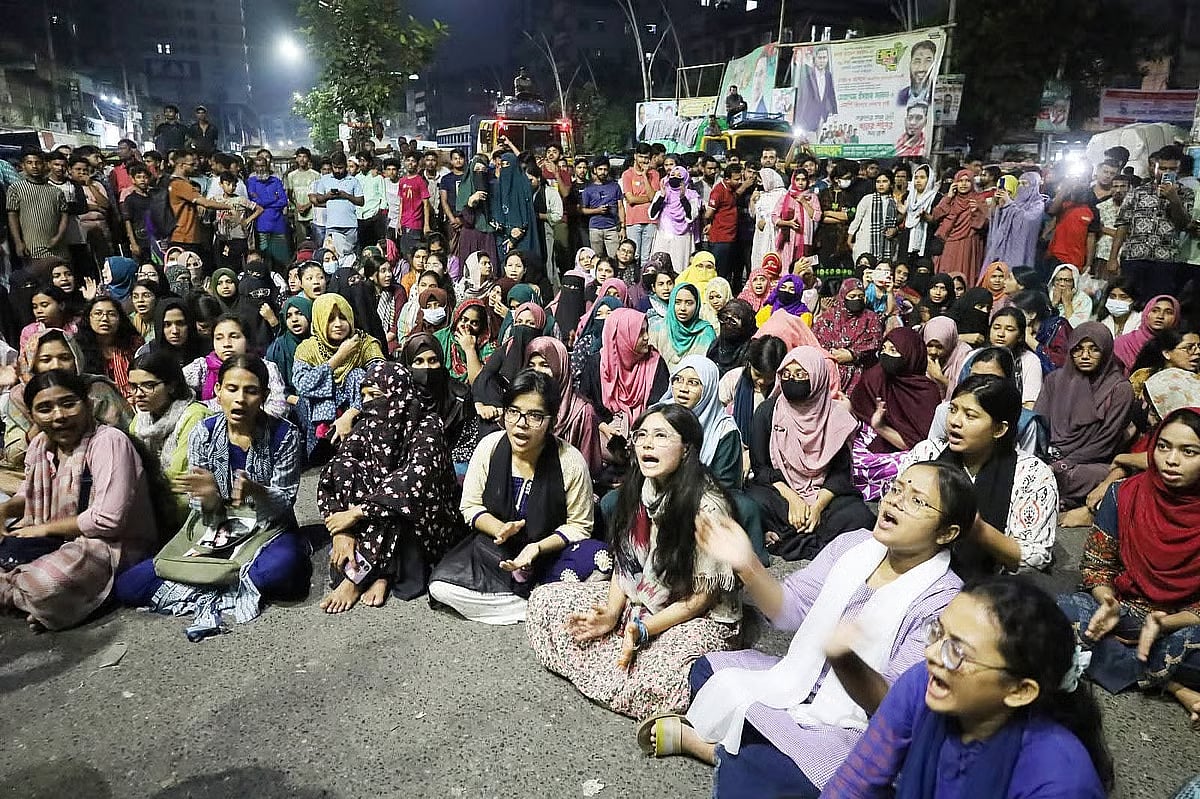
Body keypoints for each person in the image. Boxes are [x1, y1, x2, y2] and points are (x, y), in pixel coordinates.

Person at [660, 461, 970, 797]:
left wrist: (845, 661)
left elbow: (895, 705)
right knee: (705, 671)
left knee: (801, 773)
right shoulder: (854, 545)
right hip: (798, 680)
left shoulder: (943, 599)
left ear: (946, 533)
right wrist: (746, 563)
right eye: (897, 488)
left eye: (916, 500)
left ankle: (717, 750)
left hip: (853, 723)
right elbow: (789, 609)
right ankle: (744, 755)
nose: (895, 500)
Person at [526, 404, 740, 718]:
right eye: (641, 436)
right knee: (545, 600)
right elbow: (625, 562)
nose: (647, 444)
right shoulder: (641, 486)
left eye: (661, 436)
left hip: (693, 615)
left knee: (664, 681)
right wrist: (612, 614)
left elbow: (699, 600)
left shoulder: (708, 507)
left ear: (686, 450)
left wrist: (643, 628)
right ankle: (614, 657)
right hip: (643, 596)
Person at [825, 577, 1112, 798]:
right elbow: (854, 782)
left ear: (1019, 691)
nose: (932, 654)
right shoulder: (922, 685)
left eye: (958, 652)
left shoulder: (1060, 781)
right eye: (937, 633)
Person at [114, 355, 312, 631]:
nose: (240, 399)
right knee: (129, 585)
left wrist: (257, 491)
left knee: (281, 572)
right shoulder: (203, 433)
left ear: (265, 395)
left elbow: (286, 498)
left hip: (267, 528)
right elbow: (200, 508)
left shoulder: (285, 434)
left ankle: (210, 578)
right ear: (218, 391)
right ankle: (224, 582)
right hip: (215, 528)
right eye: (232, 389)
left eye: (251, 391)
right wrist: (209, 499)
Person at [1057, 407, 1200, 726]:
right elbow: (1097, 566)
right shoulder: (1125, 494)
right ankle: (1175, 685)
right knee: (1056, 613)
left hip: (1184, 622)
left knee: (1067, 641)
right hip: (1125, 611)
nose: (1171, 460)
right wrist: (1106, 601)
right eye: (1163, 446)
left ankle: (1121, 661)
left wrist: (1166, 624)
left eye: (1188, 451)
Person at [428, 370, 604, 625]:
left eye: (535, 416)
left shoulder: (571, 461)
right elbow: (470, 506)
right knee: (441, 587)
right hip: (496, 551)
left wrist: (537, 547)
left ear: (551, 421)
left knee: (599, 558)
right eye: (513, 412)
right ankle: (536, 607)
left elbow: (580, 526)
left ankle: (534, 601)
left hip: (547, 555)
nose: (521, 423)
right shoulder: (489, 446)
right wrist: (499, 528)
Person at [0, 370, 157, 631]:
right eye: (45, 408)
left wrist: (43, 529)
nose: (59, 416)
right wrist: (4, 510)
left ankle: (36, 598)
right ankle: (39, 601)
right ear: (33, 416)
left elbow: (108, 520)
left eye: (68, 403)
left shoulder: (109, 442)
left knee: (46, 586)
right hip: (60, 542)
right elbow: (27, 495)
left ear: (87, 403)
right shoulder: (41, 446)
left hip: (111, 546)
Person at [317, 362, 468, 611]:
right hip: (378, 513)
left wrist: (356, 513)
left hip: (425, 521)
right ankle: (378, 570)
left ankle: (363, 575)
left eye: (376, 396)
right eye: (364, 396)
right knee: (346, 469)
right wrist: (340, 530)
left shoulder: (429, 425)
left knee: (397, 499)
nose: (368, 404)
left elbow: (414, 481)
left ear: (399, 394)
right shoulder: (366, 425)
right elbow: (331, 475)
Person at [902, 375, 1057, 576]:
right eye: (953, 409)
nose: (955, 422)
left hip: (989, 589)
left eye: (970, 415)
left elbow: (1036, 558)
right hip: (915, 571)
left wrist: (978, 530)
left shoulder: (1032, 474)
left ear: (999, 429)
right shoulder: (926, 453)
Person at [743, 345, 875, 561]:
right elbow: (761, 468)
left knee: (858, 516)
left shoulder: (836, 417)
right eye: (786, 374)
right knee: (752, 499)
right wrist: (794, 500)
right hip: (782, 492)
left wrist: (816, 507)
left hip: (822, 493)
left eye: (800, 374)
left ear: (817, 378)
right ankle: (820, 539)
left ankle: (789, 536)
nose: (792, 380)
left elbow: (840, 474)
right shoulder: (768, 412)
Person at [2, 330, 133, 483]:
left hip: (95, 470)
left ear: (76, 360)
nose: (56, 366)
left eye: (64, 358)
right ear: (33, 364)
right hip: (33, 474)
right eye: (46, 360)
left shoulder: (96, 390)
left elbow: (123, 440)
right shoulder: (20, 397)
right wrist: (41, 420)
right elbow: (13, 455)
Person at [1036, 322, 1135, 508]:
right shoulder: (1055, 380)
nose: (1085, 356)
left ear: (1105, 351)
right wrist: (1042, 459)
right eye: (1078, 349)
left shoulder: (1120, 389)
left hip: (1088, 463)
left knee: (1101, 475)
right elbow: (1040, 424)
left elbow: (1105, 443)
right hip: (1047, 456)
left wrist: (1061, 465)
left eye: (1094, 349)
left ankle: (1053, 494)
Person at [292, 294, 386, 458]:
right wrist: (337, 359)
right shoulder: (307, 348)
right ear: (320, 321)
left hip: (357, 415)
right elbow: (302, 385)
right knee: (312, 393)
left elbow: (381, 378)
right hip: (318, 420)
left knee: (358, 375)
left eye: (342, 317)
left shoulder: (364, 342)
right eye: (330, 319)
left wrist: (350, 414)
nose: (338, 324)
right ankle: (323, 442)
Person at [126, 351, 212, 524]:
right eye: (134, 386)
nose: (138, 394)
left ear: (171, 386)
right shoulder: (140, 419)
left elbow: (180, 478)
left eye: (148, 385)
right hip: (150, 497)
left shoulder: (195, 415)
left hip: (187, 503)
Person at [580, 308, 669, 444]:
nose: (647, 337)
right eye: (640, 332)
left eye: (646, 330)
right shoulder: (596, 364)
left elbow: (660, 406)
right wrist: (603, 426)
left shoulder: (656, 363)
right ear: (621, 337)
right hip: (603, 436)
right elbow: (585, 403)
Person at [850, 327, 942, 453]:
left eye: (893, 350)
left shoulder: (926, 392)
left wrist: (881, 427)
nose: (886, 354)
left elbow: (918, 445)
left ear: (910, 355)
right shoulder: (874, 378)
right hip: (866, 445)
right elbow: (857, 411)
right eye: (883, 349)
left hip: (908, 456)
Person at [658, 355, 743, 490]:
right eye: (678, 380)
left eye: (693, 383)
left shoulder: (724, 431)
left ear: (709, 388)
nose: (683, 388)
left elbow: (726, 486)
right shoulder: (658, 415)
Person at [182, 315, 289, 419]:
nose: (226, 344)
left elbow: (278, 409)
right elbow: (173, 385)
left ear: (247, 340)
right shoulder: (204, 366)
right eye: (219, 338)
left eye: (234, 336)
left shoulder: (266, 368)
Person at [525, 336, 602, 474]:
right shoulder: (523, 405)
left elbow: (587, 467)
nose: (537, 372)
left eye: (545, 365)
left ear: (560, 366)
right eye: (531, 365)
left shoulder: (583, 412)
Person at [811, 278, 883, 396]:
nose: (857, 300)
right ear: (843, 296)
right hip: (830, 372)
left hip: (862, 373)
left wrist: (852, 355)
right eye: (852, 296)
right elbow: (816, 340)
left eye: (860, 296)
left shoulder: (871, 318)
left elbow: (875, 342)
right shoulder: (827, 318)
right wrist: (832, 355)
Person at [75, 296, 143, 401]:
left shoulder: (134, 345)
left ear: (120, 318)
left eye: (111, 314)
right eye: (98, 313)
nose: (104, 319)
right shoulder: (78, 348)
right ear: (89, 318)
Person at [931, 170, 988, 284]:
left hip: (969, 243)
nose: (963, 184)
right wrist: (949, 196)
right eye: (960, 181)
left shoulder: (978, 200)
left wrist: (976, 211)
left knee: (965, 275)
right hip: (950, 243)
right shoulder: (950, 199)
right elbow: (936, 215)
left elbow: (985, 224)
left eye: (967, 181)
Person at [982, 171, 1046, 270]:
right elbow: (1000, 221)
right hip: (1005, 246)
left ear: (1034, 186)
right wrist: (998, 204)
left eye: (1025, 183)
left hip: (1022, 247)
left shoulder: (1038, 204)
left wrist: (1009, 204)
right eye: (1020, 183)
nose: (1022, 186)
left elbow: (1028, 220)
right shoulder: (1015, 200)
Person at [650, 283, 717, 369]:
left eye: (689, 303)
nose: (682, 308)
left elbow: (708, 367)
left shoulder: (706, 332)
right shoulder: (657, 329)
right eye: (677, 302)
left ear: (697, 305)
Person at [987, 308, 1044, 408]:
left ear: (1021, 336)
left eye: (1009, 330)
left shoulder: (1030, 360)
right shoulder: (974, 355)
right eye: (996, 328)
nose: (1001, 334)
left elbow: (1030, 404)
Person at [433, 299, 494, 385]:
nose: (467, 326)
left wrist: (470, 349)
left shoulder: (488, 347)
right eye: (464, 320)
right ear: (456, 319)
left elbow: (480, 384)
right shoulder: (439, 338)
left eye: (474, 323)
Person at [1114, 294, 1180, 373]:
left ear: (1176, 317)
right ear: (1146, 313)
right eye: (1155, 311)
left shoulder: (1179, 346)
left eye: (1168, 312)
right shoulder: (1123, 343)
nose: (1160, 316)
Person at [649, 166, 699, 270]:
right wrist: (662, 196)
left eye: (679, 176)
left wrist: (682, 197)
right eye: (672, 175)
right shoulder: (662, 193)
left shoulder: (692, 195)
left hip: (682, 237)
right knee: (660, 267)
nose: (675, 178)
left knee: (679, 267)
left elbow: (691, 216)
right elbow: (652, 214)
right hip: (663, 236)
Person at [848, 171, 899, 262]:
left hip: (887, 243)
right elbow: (857, 220)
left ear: (891, 184)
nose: (881, 184)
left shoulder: (894, 202)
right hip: (865, 241)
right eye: (878, 182)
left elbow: (899, 222)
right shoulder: (867, 199)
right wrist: (849, 240)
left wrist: (895, 230)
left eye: (884, 181)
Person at [145, 298, 210, 367]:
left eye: (180, 323)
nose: (175, 331)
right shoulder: (148, 353)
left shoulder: (208, 351)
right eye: (167, 325)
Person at [922, 315, 974, 398]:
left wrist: (940, 377)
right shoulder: (921, 354)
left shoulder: (964, 355)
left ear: (949, 343)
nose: (933, 352)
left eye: (939, 347)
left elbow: (965, 395)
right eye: (929, 346)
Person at [1048, 263, 1093, 327]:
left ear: (1074, 282)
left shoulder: (1084, 300)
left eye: (1067, 280)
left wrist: (1067, 303)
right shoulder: (1048, 294)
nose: (1062, 284)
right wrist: (1054, 304)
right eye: (1058, 280)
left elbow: (1077, 328)